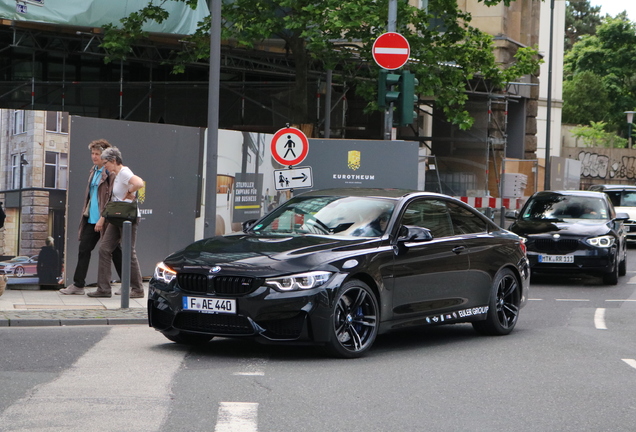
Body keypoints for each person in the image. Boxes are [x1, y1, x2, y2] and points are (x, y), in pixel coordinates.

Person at [60, 139, 122, 296]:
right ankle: (78, 285)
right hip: (91, 218)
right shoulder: (93, 170)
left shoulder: (110, 173)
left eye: (98, 154)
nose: (94, 157)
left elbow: (112, 197)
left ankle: (128, 284)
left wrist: (103, 217)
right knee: (84, 249)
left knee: (115, 251)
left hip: (106, 219)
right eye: (92, 153)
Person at [88, 147, 145, 298]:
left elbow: (139, 182)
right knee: (105, 249)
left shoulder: (124, 172)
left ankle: (138, 289)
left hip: (128, 217)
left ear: (113, 161)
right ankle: (104, 289)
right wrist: (103, 217)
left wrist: (130, 192)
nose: (104, 166)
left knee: (129, 251)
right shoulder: (117, 175)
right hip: (117, 217)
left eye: (105, 162)